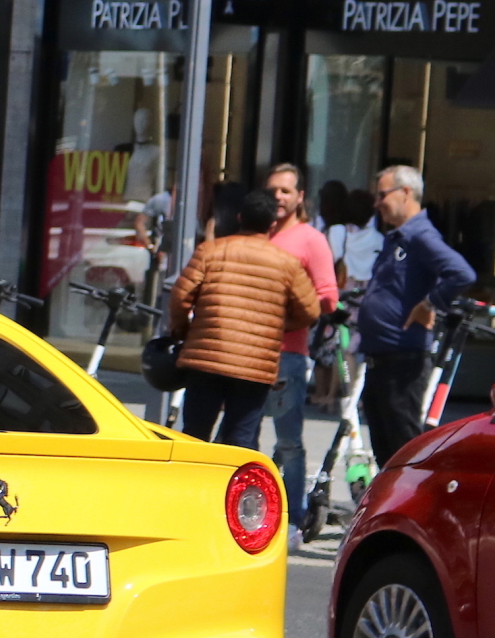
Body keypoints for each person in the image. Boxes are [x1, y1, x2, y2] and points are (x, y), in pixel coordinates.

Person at [166, 189, 319, 450]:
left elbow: (180, 297)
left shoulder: (211, 252)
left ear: (239, 217)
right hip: (255, 365)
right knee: (241, 441)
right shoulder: (287, 264)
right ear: (272, 224)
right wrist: (276, 327)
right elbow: (311, 311)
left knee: (194, 435)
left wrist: (183, 330)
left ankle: (192, 487)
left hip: (206, 358)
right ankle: (232, 490)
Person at [356, 164, 476, 465]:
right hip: (381, 360)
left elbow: (461, 273)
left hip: (402, 364)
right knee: (385, 453)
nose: (377, 203)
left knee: (403, 453)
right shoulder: (397, 238)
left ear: (405, 192)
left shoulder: (419, 235)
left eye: (382, 194)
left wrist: (430, 303)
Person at [261, 163, 340, 525]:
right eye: (273, 190)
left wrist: (292, 314)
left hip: (288, 355)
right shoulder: (259, 233)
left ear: (299, 196)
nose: (278, 197)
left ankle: (293, 518)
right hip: (248, 353)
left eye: (285, 191)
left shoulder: (311, 239)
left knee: (288, 443)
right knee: (240, 439)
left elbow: (328, 298)